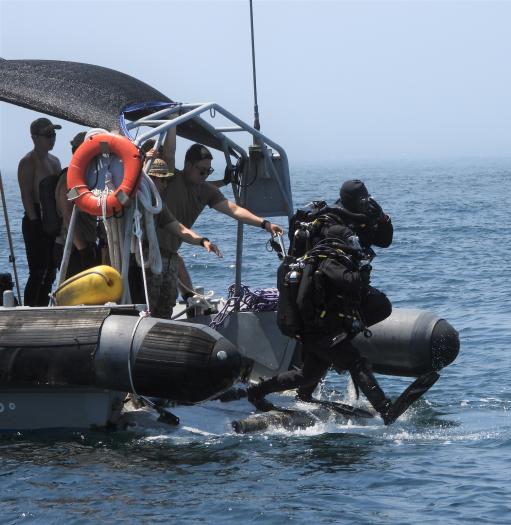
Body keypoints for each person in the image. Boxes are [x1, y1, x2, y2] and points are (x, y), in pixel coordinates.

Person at [246, 180, 437, 425]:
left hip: (330, 304)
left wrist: (382, 219)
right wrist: (360, 273)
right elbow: (340, 277)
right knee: (353, 361)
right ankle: (385, 409)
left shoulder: (353, 227)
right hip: (318, 309)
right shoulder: (330, 241)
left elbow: (383, 241)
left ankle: (259, 392)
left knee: (308, 372)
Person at [153, 142, 283, 319]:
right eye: (201, 171)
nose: (205, 175)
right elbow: (170, 150)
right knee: (148, 306)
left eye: (208, 172)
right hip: (147, 252)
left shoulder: (206, 191)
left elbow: (234, 210)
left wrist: (265, 224)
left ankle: (191, 302)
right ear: (188, 165)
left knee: (165, 310)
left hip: (170, 253)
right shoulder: (170, 179)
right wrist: (174, 117)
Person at [129, 158, 223, 317]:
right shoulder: (133, 203)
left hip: (164, 260)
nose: (166, 185)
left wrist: (202, 241)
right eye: (163, 180)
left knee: (166, 305)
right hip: (142, 262)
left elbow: (179, 228)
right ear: (150, 180)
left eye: (168, 180)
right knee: (147, 305)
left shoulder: (160, 207)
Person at [17, 117, 62, 306]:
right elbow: (26, 195)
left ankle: (43, 306)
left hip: (53, 218)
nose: (52, 139)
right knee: (37, 271)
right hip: (35, 219)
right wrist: (36, 223)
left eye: (53, 135)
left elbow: (60, 192)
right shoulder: (28, 162)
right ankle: (29, 309)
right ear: (34, 137)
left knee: (51, 270)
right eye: (47, 135)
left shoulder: (55, 161)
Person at [53, 131, 100, 279]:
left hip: (86, 245)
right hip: (72, 249)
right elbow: (68, 215)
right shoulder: (69, 180)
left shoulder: (86, 179)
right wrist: (83, 250)